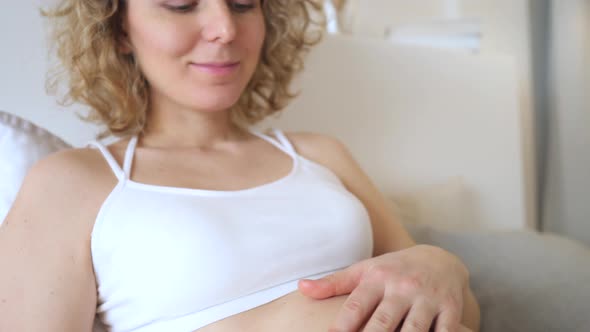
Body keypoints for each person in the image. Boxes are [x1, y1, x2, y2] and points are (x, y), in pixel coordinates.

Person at [0, 0, 480, 331]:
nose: (225, 28)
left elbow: (457, 313)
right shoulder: (72, 182)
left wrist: (442, 265)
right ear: (119, 26)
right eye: (182, 3)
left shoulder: (320, 155)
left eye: (244, 4)